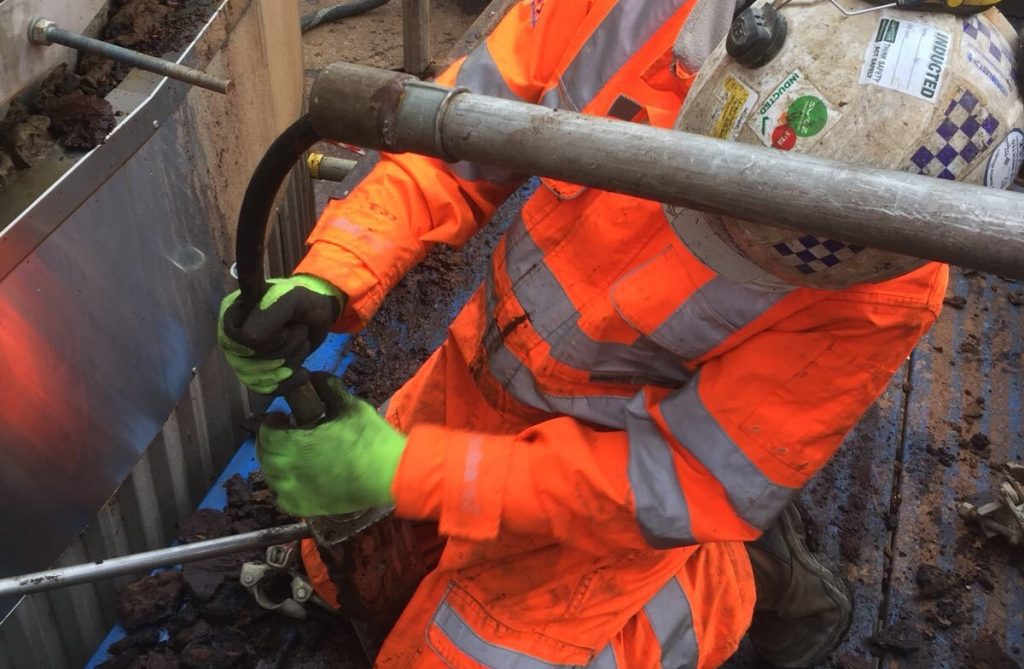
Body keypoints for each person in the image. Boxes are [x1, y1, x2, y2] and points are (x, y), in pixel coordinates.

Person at [218, 0, 1022, 666]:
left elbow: (681, 477)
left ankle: (727, 582)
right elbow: (454, 136)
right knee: (343, 569)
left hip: (619, 480)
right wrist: (333, 272)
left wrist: (417, 471)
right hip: (479, 378)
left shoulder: (894, 273)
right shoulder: (632, 11)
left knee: (452, 650)